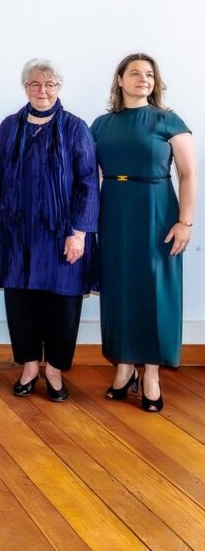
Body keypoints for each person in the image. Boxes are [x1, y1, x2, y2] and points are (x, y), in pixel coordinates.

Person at [0, 60, 98, 401]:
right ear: (25, 88)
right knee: (21, 302)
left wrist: (79, 232)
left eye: (50, 84)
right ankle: (30, 366)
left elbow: (88, 182)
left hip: (63, 234)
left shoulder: (76, 128)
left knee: (61, 305)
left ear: (59, 88)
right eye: (35, 84)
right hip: (17, 232)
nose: (43, 90)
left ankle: (54, 370)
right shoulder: (9, 126)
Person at [93, 53, 196, 413]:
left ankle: (150, 373)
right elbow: (91, 176)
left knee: (154, 290)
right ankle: (123, 368)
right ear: (119, 79)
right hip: (115, 210)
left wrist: (185, 221)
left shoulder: (168, 121)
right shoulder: (101, 125)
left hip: (156, 210)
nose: (143, 79)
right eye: (135, 73)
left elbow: (188, 175)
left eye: (149, 74)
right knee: (119, 288)